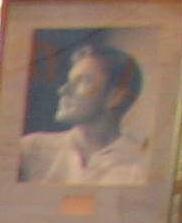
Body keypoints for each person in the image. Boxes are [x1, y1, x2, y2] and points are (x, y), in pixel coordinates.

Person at [16, 41, 150, 186]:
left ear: (115, 97)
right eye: (70, 80)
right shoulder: (30, 150)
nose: (63, 90)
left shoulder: (145, 161)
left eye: (83, 81)